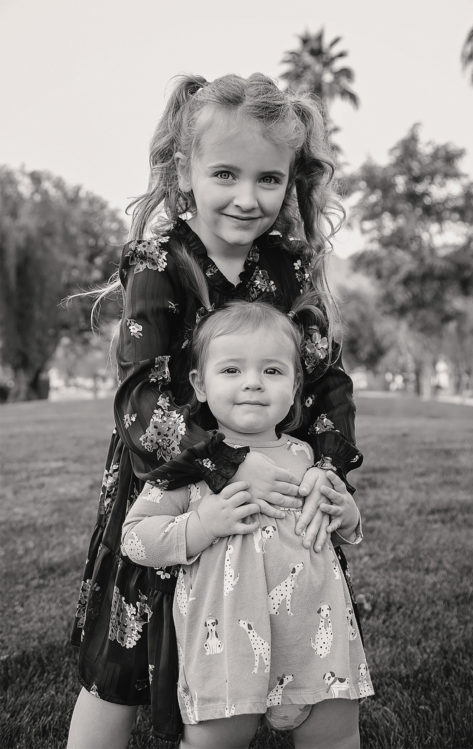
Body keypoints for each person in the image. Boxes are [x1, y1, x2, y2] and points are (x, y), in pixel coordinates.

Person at [67, 73, 363, 748]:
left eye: (269, 178)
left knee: (278, 642)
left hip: (273, 506)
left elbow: (325, 381)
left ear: (291, 181)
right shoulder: (160, 261)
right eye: (225, 173)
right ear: (185, 168)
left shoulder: (287, 268)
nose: (247, 196)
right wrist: (232, 465)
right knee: (123, 658)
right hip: (167, 484)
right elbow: (144, 396)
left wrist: (325, 468)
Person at [121, 298, 372, 749]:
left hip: (317, 645)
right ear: (200, 384)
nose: (253, 383)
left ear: (295, 387)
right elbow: (135, 539)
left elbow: (340, 529)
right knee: (216, 742)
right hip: (227, 652)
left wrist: (344, 511)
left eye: (272, 371)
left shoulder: (307, 459)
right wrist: (201, 524)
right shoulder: (194, 465)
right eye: (232, 370)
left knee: (335, 737)